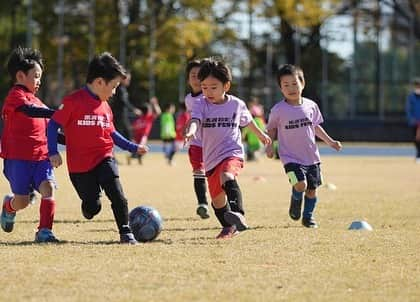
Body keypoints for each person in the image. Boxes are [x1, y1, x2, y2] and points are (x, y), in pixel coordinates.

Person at [47, 52, 148, 244]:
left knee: (118, 195)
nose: (115, 92)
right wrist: (53, 151)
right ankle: (89, 206)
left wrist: (132, 147)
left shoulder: (105, 107)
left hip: (104, 157)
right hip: (79, 167)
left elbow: (112, 133)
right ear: (100, 82)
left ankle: (126, 232)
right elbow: (52, 126)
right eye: (114, 86)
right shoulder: (72, 102)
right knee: (93, 207)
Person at [184, 57, 271, 239]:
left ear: (226, 86)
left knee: (227, 176)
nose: (208, 91)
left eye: (213, 87)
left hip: (232, 153)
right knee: (217, 200)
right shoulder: (201, 104)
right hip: (211, 158)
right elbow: (195, 120)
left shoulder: (236, 104)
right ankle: (228, 226)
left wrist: (261, 135)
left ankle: (239, 214)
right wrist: (191, 131)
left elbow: (248, 122)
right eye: (204, 87)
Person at [265, 64, 342, 228]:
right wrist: (269, 146)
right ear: (280, 88)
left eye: (294, 83)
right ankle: (295, 198)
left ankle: (308, 217)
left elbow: (315, 127)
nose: (291, 88)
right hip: (289, 158)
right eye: (286, 85)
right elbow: (271, 129)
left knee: (312, 190)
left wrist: (330, 141)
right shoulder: (278, 110)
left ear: (303, 83)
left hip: (312, 157)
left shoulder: (311, 106)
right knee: (300, 184)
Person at [0, 46, 63, 242]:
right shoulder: (16, 96)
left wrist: (75, 140)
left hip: (41, 158)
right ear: (20, 75)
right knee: (22, 201)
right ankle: (8, 206)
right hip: (17, 159)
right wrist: (56, 113)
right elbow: (29, 111)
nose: (39, 81)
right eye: (36, 76)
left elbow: (51, 132)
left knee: (48, 189)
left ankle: (44, 231)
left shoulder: (39, 103)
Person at [184, 59, 210, 219]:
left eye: (199, 75)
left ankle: (222, 203)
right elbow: (193, 117)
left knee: (216, 175)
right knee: (198, 172)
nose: (196, 78)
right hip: (196, 143)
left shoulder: (209, 96)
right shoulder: (188, 99)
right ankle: (202, 204)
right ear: (188, 79)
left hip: (213, 142)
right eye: (193, 75)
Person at [110, 72, 141, 140]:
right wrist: (134, 109)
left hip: (122, 114)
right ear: (122, 79)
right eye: (128, 79)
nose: (129, 81)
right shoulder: (120, 89)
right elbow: (124, 101)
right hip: (118, 115)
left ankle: (133, 147)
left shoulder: (123, 89)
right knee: (126, 132)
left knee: (123, 132)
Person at [129, 96, 161, 165]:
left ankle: (135, 158)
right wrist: (155, 104)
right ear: (147, 111)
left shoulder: (139, 119)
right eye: (149, 109)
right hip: (141, 137)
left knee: (141, 149)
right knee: (142, 149)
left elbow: (132, 128)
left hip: (139, 137)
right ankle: (133, 157)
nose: (150, 110)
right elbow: (158, 112)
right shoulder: (148, 118)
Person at [243, 97, 266, 161]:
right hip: (257, 127)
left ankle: (253, 156)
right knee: (255, 145)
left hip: (255, 127)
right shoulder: (258, 109)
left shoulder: (253, 110)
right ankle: (254, 156)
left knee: (254, 146)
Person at [405, 77, 420, 163]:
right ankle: (418, 154)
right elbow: (408, 109)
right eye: (417, 85)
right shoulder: (411, 97)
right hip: (414, 122)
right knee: (416, 139)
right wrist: (411, 119)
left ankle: (419, 155)